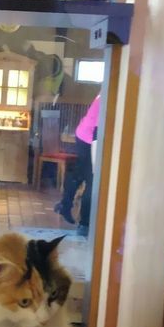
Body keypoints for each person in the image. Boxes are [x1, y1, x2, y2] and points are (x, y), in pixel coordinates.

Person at [54, 93, 101, 237]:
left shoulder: (105, 93)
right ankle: (84, 224)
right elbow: (97, 134)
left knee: (80, 172)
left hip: (84, 134)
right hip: (88, 139)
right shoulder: (107, 98)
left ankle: (65, 204)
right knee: (92, 180)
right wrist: (95, 164)